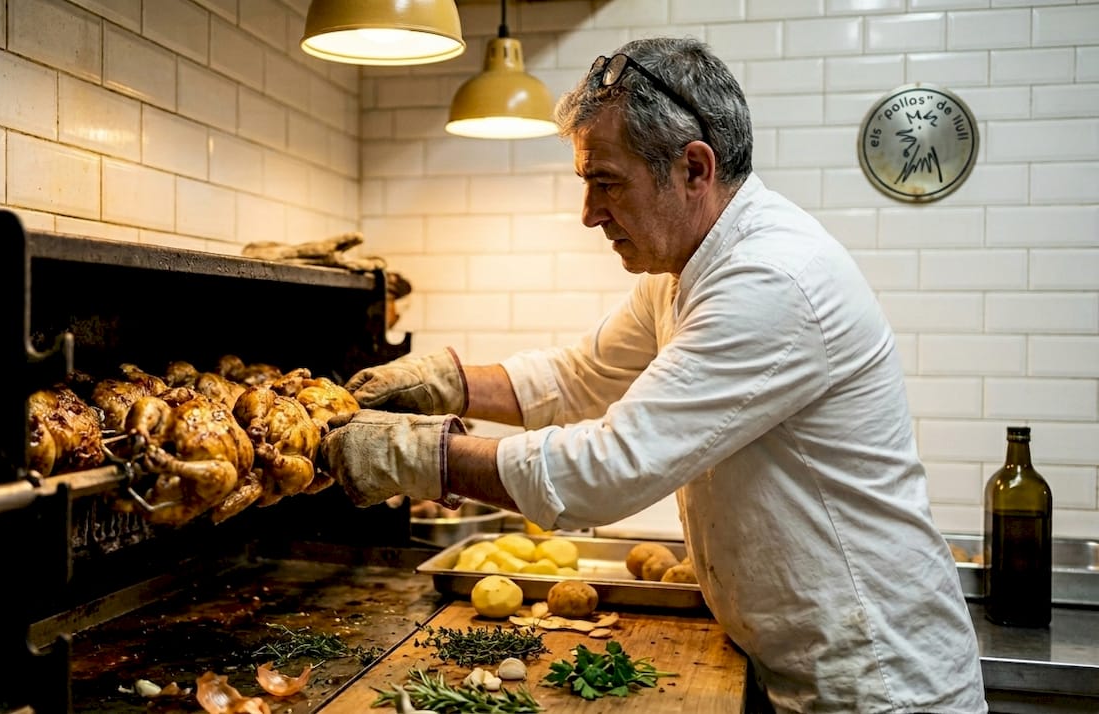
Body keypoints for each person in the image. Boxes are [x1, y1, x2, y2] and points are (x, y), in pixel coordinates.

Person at [320, 36, 987, 713]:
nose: (589, 214)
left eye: (605, 181)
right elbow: (581, 375)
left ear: (695, 168)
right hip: (810, 668)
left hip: (881, 684)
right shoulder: (687, 270)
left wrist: (418, 457)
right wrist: (446, 381)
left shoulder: (771, 278)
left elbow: (613, 468)